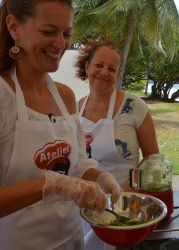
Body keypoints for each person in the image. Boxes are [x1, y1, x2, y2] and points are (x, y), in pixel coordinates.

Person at [0, 1, 122, 249]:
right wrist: (51, 184)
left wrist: (102, 178)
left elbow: (79, 163)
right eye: (48, 32)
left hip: (70, 240)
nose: (61, 44)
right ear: (14, 27)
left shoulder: (65, 97)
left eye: (67, 33)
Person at [74, 39, 159, 250]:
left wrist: (131, 190)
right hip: (83, 204)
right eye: (99, 65)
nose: (104, 72)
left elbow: (151, 157)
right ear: (87, 66)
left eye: (112, 69)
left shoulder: (134, 107)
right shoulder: (75, 108)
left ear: (117, 74)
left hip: (122, 204)